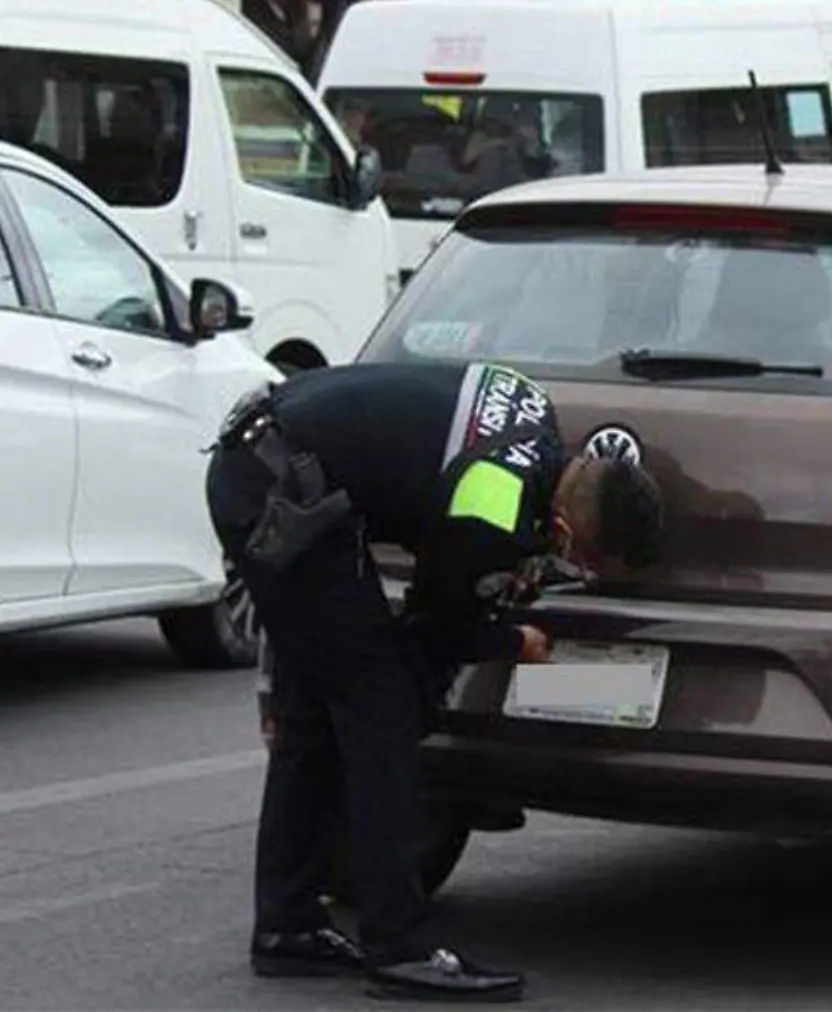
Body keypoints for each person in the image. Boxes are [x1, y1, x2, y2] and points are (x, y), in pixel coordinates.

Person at [204, 361, 662, 1003]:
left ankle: (287, 927)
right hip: (274, 493)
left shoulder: (539, 427)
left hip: (272, 458)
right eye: (583, 559)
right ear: (565, 527)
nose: (575, 568)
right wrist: (511, 642)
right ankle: (400, 946)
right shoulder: (492, 507)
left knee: (315, 712)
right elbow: (438, 623)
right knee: (381, 708)